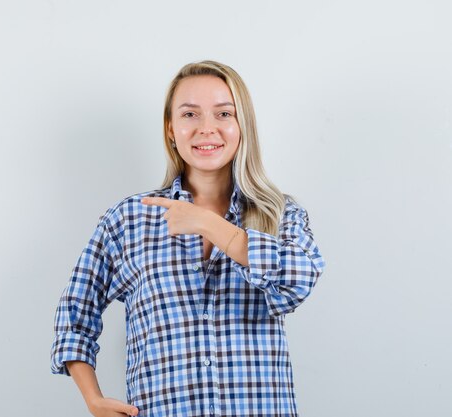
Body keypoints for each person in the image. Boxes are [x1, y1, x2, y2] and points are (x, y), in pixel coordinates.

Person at [50, 60, 326, 417]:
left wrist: (210, 225)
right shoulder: (129, 219)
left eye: (223, 113)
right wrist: (94, 399)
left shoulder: (280, 213)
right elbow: (74, 313)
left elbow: (299, 280)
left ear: (242, 125)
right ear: (171, 128)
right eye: (190, 115)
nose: (206, 128)